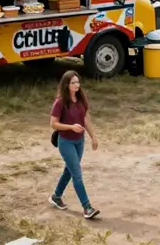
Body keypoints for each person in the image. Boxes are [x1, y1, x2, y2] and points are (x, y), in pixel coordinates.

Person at [49, 70, 100, 219]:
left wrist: (93, 137)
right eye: (73, 83)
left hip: (80, 141)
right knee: (77, 174)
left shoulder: (81, 99)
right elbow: (53, 124)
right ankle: (87, 207)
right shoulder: (60, 102)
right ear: (66, 84)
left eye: (78, 82)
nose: (77, 85)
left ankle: (56, 196)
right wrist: (70, 127)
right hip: (66, 142)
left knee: (69, 170)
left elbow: (86, 119)